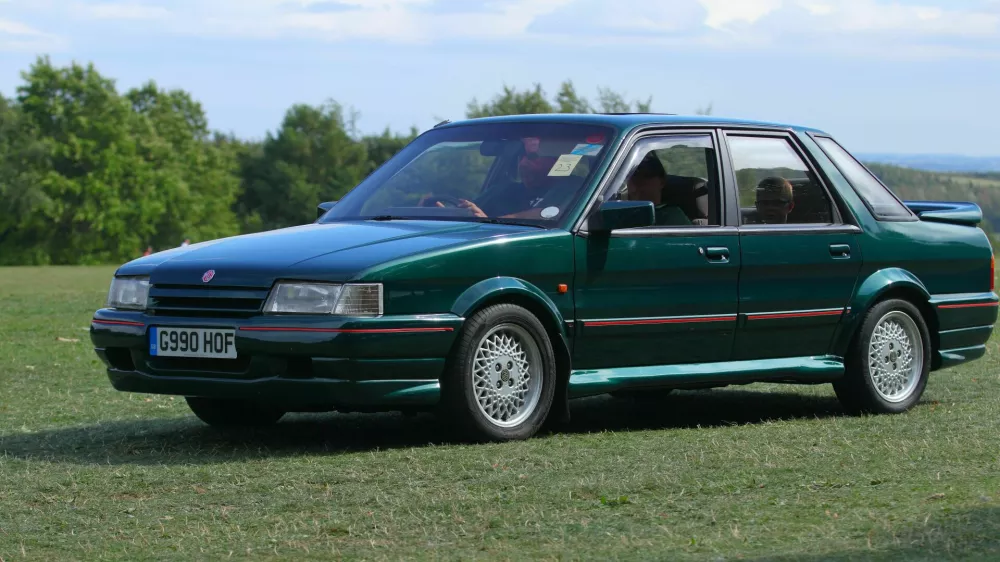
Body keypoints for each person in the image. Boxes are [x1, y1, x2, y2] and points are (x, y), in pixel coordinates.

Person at [419, 137, 573, 219]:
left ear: (557, 160)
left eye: (532, 157)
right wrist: (444, 214)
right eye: (521, 157)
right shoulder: (502, 190)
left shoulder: (572, 189)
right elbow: (471, 215)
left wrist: (488, 223)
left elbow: (546, 214)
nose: (523, 163)